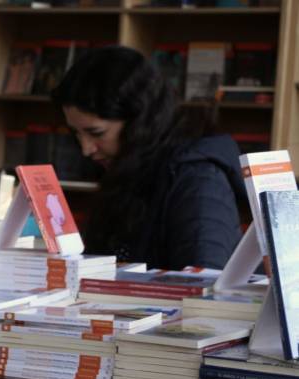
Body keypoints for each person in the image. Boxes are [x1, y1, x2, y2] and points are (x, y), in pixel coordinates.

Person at [51, 46, 244, 270]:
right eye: (76, 133)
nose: (86, 149)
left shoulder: (198, 179)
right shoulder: (128, 169)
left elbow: (202, 285)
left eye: (97, 133)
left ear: (139, 122)